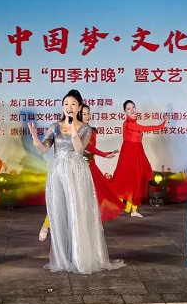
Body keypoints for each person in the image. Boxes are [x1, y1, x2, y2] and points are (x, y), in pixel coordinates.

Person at [29, 89, 125, 274]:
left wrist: (73, 127)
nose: (69, 107)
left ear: (79, 107)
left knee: (77, 211)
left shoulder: (85, 128)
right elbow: (43, 149)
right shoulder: (54, 127)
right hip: (58, 171)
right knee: (59, 212)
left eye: (73, 104)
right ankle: (64, 257)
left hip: (77, 172)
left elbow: (79, 149)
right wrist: (34, 137)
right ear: (62, 107)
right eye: (66, 104)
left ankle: (80, 257)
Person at [38, 103, 124, 241]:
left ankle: (93, 225)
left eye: (88, 113)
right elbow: (85, 147)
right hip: (73, 169)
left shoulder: (89, 130)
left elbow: (91, 148)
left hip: (89, 168)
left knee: (91, 198)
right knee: (63, 200)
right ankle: (46, 225)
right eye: (84, 114)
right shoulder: (71, 131)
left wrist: (104, 154)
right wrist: (103, 154)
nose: (87, 116)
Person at [110, 100, 167, 217]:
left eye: (133, 107)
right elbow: (144, 128)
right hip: (129, 154)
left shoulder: (133, 123)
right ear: (125, 111)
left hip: (137, 152)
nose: (132, 110)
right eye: (129, 109)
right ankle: (121, 206)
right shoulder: (128, 123)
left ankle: (132, 209)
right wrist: (161, 125)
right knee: (128, 179)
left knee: (136, 179)